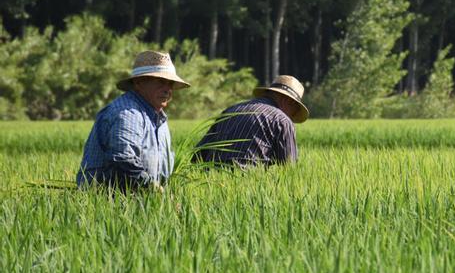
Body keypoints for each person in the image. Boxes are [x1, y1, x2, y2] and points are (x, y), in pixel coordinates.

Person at [77, 50, 190, 190]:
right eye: (161, 81)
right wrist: (153, 189)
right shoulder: (128, 113)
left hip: (144, 204)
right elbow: (123, 161)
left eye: (170, 84)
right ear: (138, 82)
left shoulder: (159, 119)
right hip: (110, 203)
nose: (167, 89)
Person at [194, 75, 309, 169]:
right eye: (294, 112)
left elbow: (198, 156)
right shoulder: (282, 120)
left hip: (211, 183)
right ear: (287, 101)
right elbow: (289, 170)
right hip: (246, 185)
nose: (291, 116)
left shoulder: (230, 110)